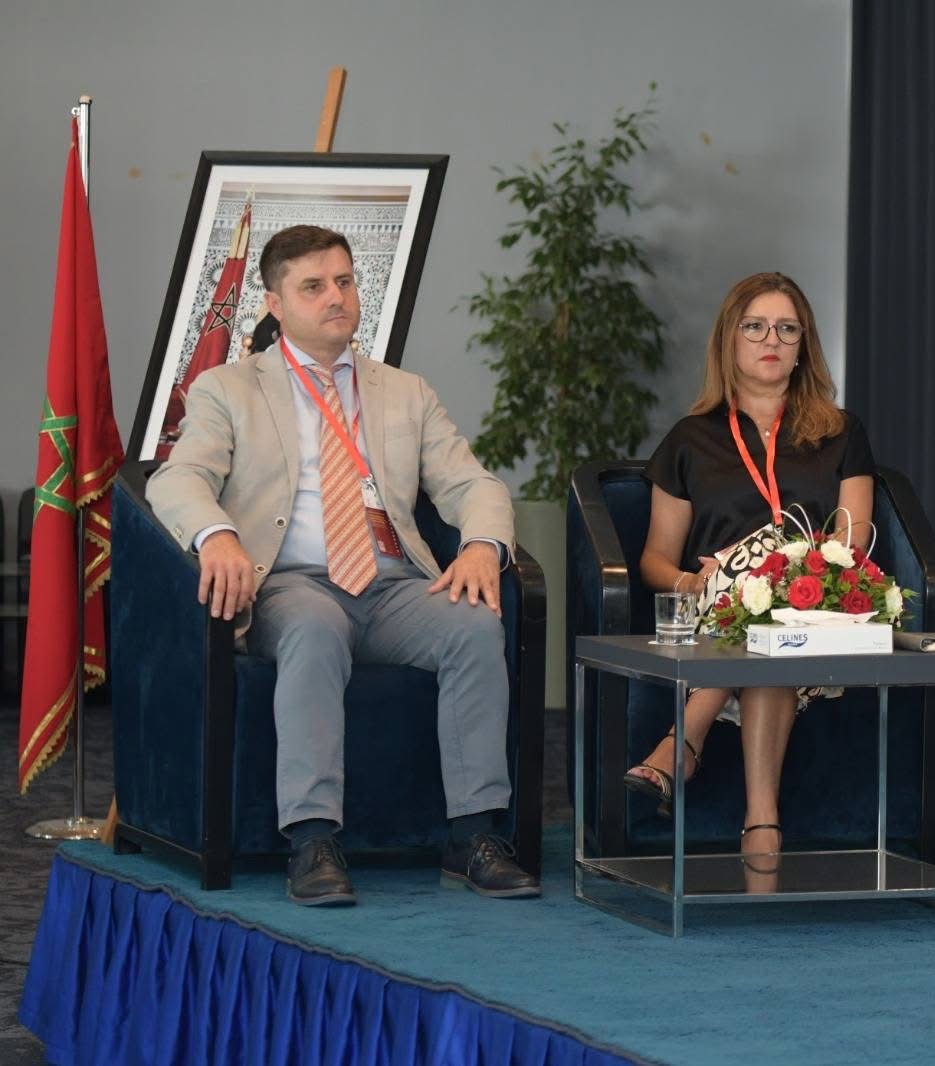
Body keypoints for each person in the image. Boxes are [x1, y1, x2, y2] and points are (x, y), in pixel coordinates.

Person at [146, 225, 538, 906]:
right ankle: (312, 839)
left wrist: (481, 546)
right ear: (275, 304)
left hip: (393, 584)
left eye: (345, 281)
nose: (336, 297)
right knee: (315, 627)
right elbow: (176, 480)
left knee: (476, 626)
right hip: (289, 582)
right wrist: (217, 535)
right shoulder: (228, 389)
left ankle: (474, 834)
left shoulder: (405, 392)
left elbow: (473, 484)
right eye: (314, 286)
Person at [629, 272, 876, 868]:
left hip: (817, 607)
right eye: (756, 326)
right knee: (761, 620)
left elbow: (855, 535)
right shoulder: (690, 440)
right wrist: (692, 581)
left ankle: (681, 741)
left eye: (788, 329)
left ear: (803, 346)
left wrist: (793, 567)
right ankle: (762, 824)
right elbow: (655, 559)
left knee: (775, 591)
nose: (772, 339)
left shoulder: (841, 431)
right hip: (719, 607)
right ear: (729, 340)